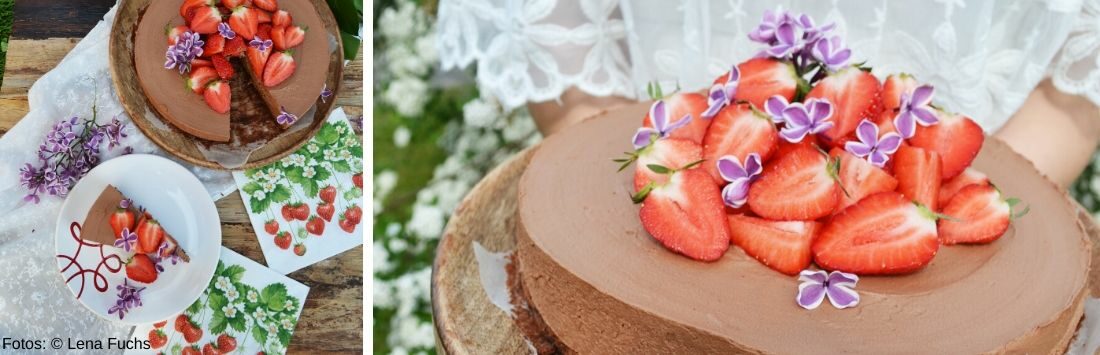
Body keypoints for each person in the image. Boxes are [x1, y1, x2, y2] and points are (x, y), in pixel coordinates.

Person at [437, 0, 1100, 187]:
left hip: (957, 216)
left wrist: (957, 216)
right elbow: (576, 88)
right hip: (688, 187)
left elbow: (1074, 91)